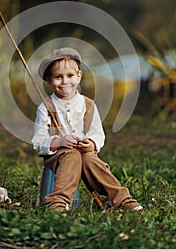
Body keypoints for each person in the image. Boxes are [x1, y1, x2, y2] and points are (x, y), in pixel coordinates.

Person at [32, 47, 143, 212]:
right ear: (48, 81)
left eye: (70, 76)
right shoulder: (46, 107)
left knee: (90, 159)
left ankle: (121, 199)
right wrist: (59, 141)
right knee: (71, 154)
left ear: (78, 77)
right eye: (57, 77)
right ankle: (57, 202)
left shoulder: (88, 104)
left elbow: (97, 134)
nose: (64, 81)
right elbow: (38, 141)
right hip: (57, 156)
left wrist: (90, 144)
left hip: (85, 153)